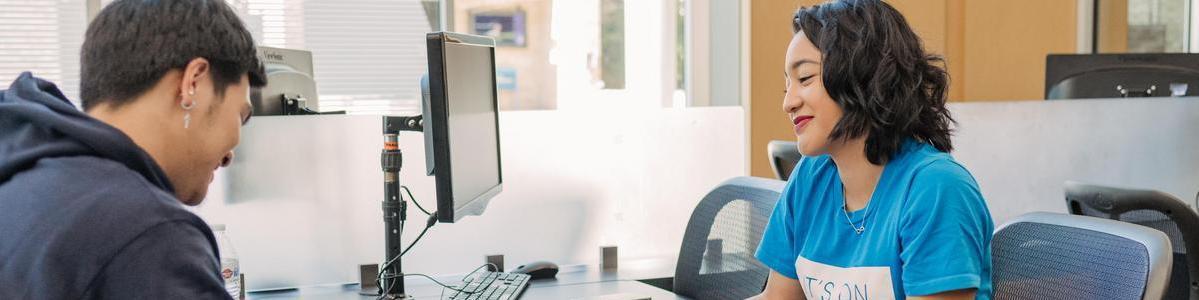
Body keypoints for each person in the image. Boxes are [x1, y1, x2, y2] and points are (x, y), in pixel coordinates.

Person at [0, 0, 265, 298]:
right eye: (240, 116)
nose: (230, 155)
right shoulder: (151, 235)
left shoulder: (23, 178)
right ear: (194, 82)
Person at [753, 1, 993, 299]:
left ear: (862, 75)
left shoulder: (936, 188)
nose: (788, 103)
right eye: (787, 86)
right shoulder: (810, 177)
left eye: (805, 79)